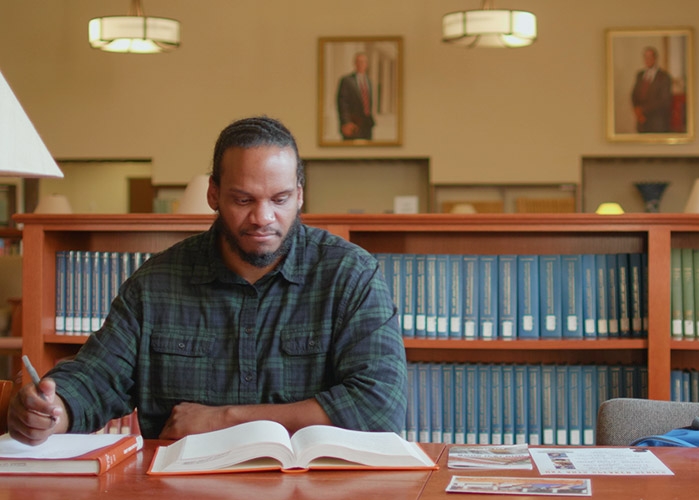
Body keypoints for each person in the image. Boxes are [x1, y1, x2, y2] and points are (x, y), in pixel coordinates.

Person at [8, 116, 407, 445]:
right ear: (213, 194)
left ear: (300, 195)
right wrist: (52, 411)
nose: (263, 218)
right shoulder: (155, 284)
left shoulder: (351, 275)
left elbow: (379, 404)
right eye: (243, 199)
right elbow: (96, 378)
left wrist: (225, 419)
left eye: (280, 199)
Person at [631, 46, 673, 133]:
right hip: (642, 124)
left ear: (655, 58)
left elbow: (664, 101)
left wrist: (643, 111)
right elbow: (634, 95)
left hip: (657, 123)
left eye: (650, 57)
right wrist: (637, 111)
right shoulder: (640, 75)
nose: (648, 60)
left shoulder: (664, 77)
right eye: (646, 57)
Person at [336, 53, 375, 140]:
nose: (361, 64)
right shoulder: (347, 81)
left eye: (363, 62)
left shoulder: (369, 82)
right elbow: (342, 103)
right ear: (355, 63)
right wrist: (346, 122)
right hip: (353, 124)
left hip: (367, 125)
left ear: (367, 64)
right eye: (359, 62)